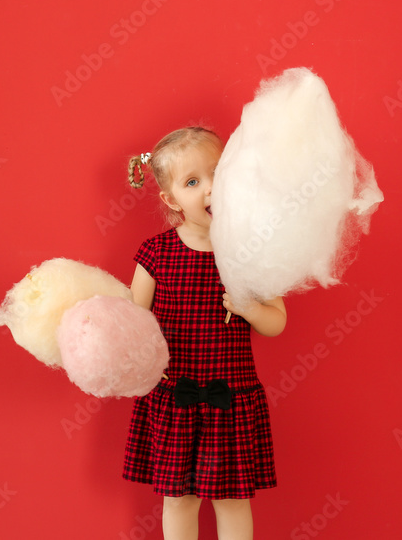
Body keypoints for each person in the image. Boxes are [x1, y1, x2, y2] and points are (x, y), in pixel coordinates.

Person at [122, 126, 287, 540]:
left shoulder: (252, 249)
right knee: (179, 499)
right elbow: (131, 324)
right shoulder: (156, 253)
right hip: (174, 397)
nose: (211, 188)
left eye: (219, 173)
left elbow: (277, 322)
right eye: (193, 182)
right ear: (171, 199)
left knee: (232, 499)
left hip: (229, 398)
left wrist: (251, 308)